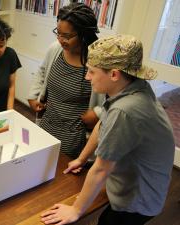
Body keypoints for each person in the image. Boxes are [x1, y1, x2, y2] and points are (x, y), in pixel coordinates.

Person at [41, 35, 175, 225]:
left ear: (114, 74)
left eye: (91, 72)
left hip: (137, 199)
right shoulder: (131, 87)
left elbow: (102, 168)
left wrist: (76, 210)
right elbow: (102, 122)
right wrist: (81, 158)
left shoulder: (125, 110)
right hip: (135, 183)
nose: (87, 77)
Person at [27, 3, 103, 158]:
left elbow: (116, 99)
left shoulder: (99, 61)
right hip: (47, 124)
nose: (61, 40)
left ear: (83, 34)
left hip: (75, 135)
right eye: (58, 33)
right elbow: (42, 72)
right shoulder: (55, 49)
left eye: (67, 36)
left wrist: (97, 113)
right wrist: (33, 96)